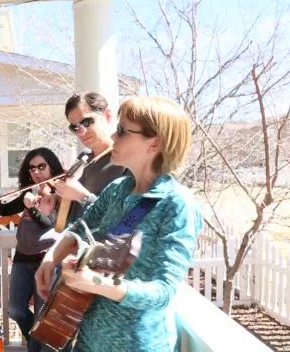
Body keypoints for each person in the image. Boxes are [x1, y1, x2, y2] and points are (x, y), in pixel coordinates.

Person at [35, 96, 203, 352]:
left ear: (154, 142)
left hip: (136, 344)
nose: (113, 136)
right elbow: (81, 227)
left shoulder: (176, 203)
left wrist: (97, 284)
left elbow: (163, 292)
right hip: (88, 337)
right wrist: (51, 259)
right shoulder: (118, 189)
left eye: (123, 131)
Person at [0, 147, 64, 352]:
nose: (36, 172)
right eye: (32, 168)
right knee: (15, 310)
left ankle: (35, 348)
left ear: (52, 167)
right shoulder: (29, 192)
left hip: (46, 262)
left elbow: (50, 223)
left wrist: (32, 208)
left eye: (41, 166)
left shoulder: (61, 194)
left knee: (40, 315)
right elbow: (7, 209)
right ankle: (35, 342)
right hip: (22, 260)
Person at [54, 92, 127, 225]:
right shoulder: (84, 157)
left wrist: (82, 196)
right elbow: (72, 214)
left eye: (86, 122)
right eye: (74, 127)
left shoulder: (126, 158)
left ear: (107, 115)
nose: (81, 132)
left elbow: (124, 219)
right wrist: (53, 204)